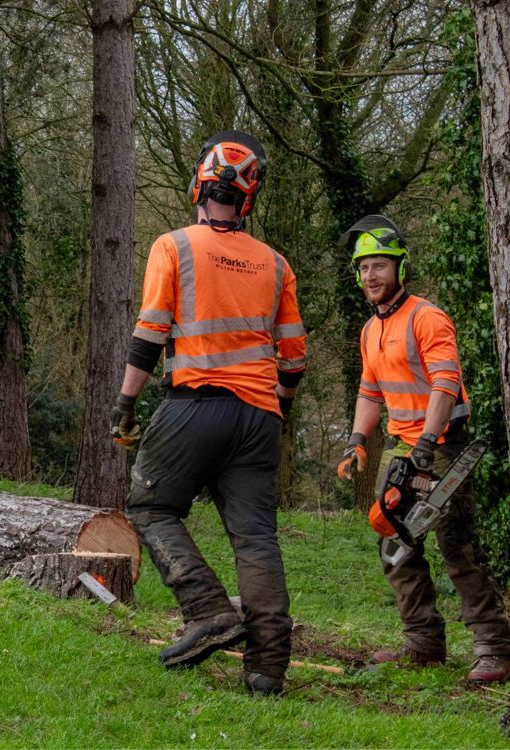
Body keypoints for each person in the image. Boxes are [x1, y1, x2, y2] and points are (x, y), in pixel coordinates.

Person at [109, 130, 306, 697]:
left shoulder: (175, 246)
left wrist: (126, 404)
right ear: (249, 197)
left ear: (200, 181)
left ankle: (207, 610)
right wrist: (278, 414)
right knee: (256, 539)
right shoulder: (275, 263)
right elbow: (294, 355)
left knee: (150, 504)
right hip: (260, 416)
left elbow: (150, 333)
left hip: (196, 404)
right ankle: (268, 668)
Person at [335, 215, 510, 684]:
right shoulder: (371, 329)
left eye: (379, 266)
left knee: (458, 546)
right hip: (400, 445)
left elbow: (445, 382)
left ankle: (493, 645)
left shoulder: (426, 316)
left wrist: (428, 443)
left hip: (441, 446)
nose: (371, 276)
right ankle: (422, 640)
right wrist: (356, 442)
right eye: (364, 267)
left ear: (400, 268)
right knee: (394, 544)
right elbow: (370, 391)